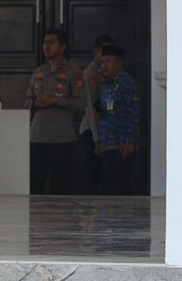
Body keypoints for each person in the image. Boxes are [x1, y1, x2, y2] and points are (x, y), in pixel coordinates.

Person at [25, 27, 87, 195]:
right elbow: (27, 101)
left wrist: (57, 100)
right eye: (45, 43)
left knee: (60, 184)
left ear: (62, 46)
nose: (47, 47)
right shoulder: (38, 72)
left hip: (61, 137)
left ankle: (60, 219)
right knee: (35, 183)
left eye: (52, 43)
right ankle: (35, 219)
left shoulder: (73, 72)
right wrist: (36, 103)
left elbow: (82, 103)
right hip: (38, 135)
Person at [97, 44, 142, 195]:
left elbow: (134, 114)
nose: (104, 66)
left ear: (119, 63)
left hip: (121, 145)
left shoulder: (128, 84)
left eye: (108, 62)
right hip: (107, 145)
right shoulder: (107, 85)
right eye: (102, 62)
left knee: (119, 189)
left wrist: (130, 140)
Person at [77, 33, 115, 194]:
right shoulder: (90, 75)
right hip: (92, 131)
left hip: (106, 130)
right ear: (96, 52)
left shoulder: (106, 74)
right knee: (94, 173)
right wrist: (97, 139)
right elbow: (90, 109)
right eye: (103, 51)